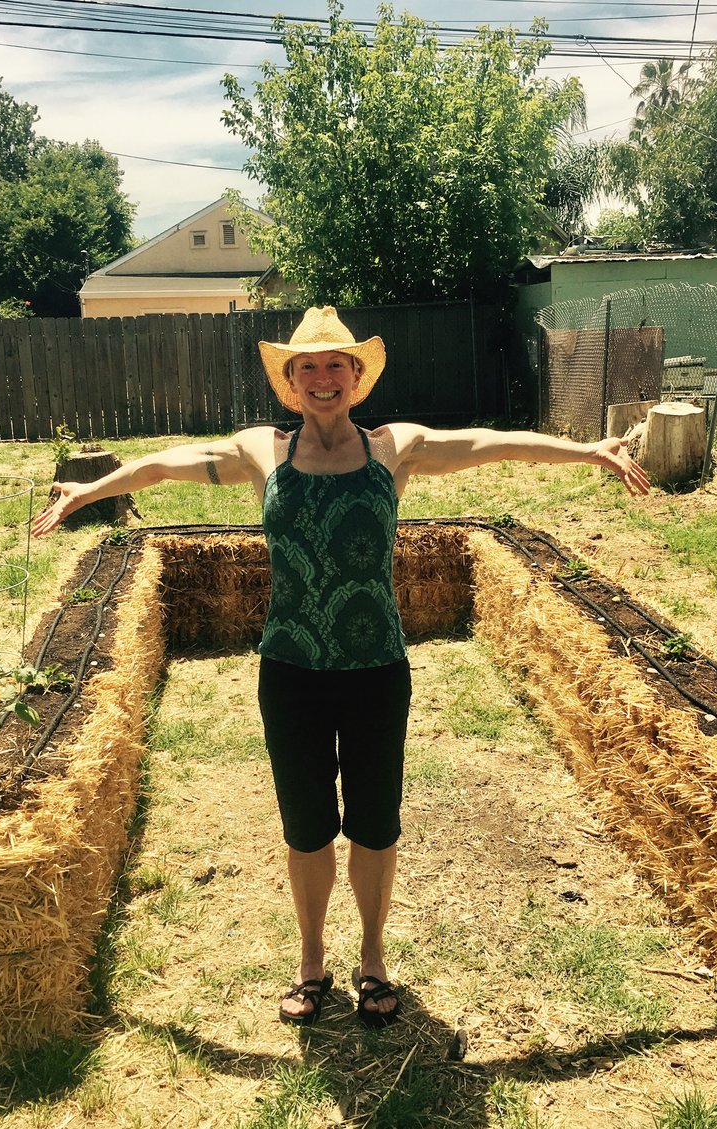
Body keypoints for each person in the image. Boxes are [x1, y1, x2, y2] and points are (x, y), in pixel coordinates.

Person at [32, 305, 649, 1028]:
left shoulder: (395, 448)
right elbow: (170, 462)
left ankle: (374, 957)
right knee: (306, 828)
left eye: (336, 366)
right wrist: (90, 489)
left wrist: (586, 452)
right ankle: (311, 958)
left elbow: (489, 444)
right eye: (308, 368)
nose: (323, 378)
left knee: (376, 825)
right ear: (290, 383)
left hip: (376, 669)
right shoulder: (263, 451)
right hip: (289, 669)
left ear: (356, 377)